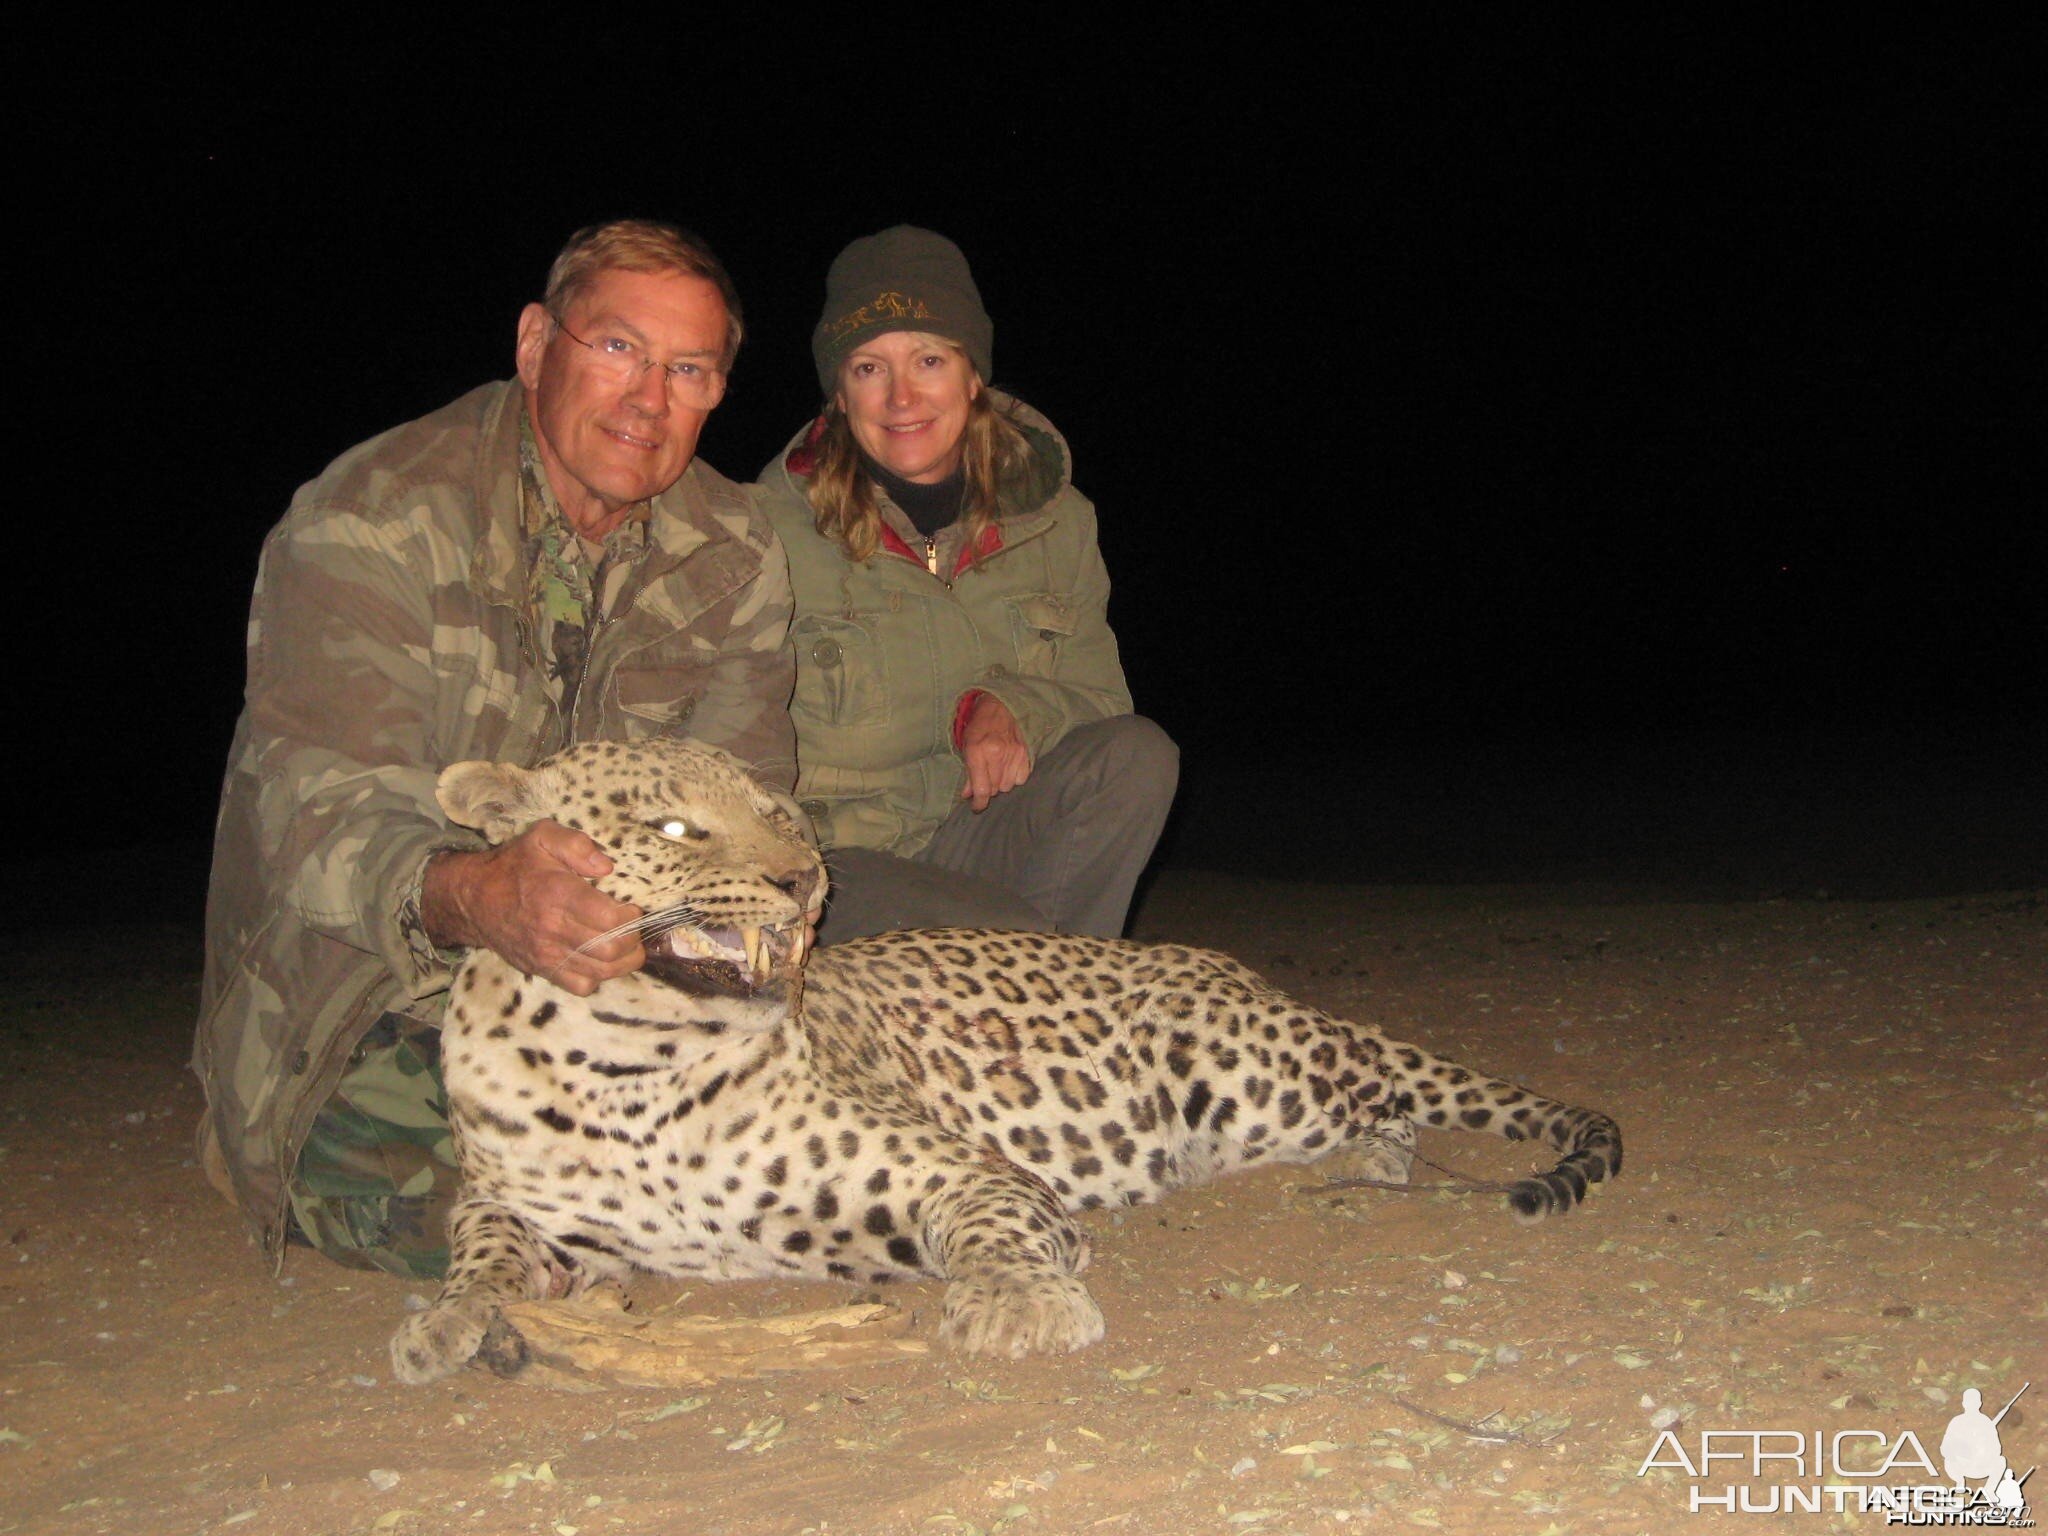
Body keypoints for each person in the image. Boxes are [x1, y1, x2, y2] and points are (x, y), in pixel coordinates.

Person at [193, 220, 796, 1279]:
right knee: (530, 1217)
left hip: (627, 980)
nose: (648, 399)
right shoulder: (370, 518)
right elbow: (313, 810)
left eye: (688, 369)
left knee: (783, 1154)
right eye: (617, 348)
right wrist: (478, 895)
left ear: (716, 392)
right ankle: (269, 1137)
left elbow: (745, 815)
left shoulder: (736, 550)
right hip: (375, 988)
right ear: (534, 345)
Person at [754, 226, 1175, 943]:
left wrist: (1011, 705)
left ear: (972, 376)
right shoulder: (763, 529)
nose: (901, 397)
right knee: (1007, 934)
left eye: (928, 359)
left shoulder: (1058, 522)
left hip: (976, 838)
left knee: (1137, 757)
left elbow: (1103, 699)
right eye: (867, 368)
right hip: (838, 863)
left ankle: (1039, 1004)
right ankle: (1054, 1005)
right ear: (838, 395)